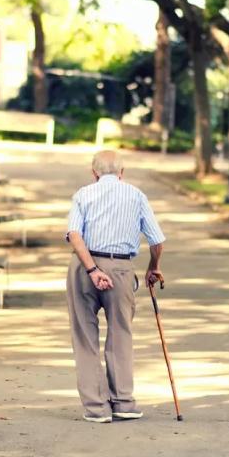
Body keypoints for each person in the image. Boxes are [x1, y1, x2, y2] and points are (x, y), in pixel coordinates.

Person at [64, 150, 166, 423]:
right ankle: (123, 403)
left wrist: (92, 269)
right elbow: (157, 240)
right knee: (121, 334)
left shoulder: (83, 195)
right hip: (121, 269)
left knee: (85, 337)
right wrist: (153, 266)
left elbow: (74, 235)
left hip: (83, 269)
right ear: (122, 172)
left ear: (94, 173)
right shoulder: (136, 196)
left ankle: (97, 408)